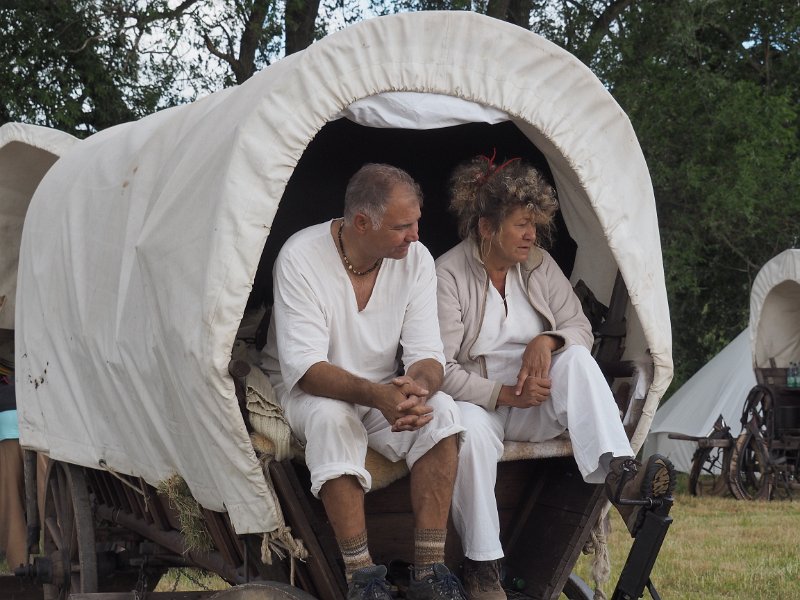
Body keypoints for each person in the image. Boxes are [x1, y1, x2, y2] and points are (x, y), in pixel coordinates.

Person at [435, 154, 676, 600]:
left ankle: (621, 476)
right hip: (478, 403)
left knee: (578, 359)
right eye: (521, 225)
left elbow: (579, 329)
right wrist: (501, 394)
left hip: (536, 401)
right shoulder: (447, 274)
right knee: (467, 432)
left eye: (534, 224)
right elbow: (439, 370)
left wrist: (547, 341)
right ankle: (483, 568)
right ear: (487, 227)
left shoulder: (539, 265)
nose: (532, 234)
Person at [263, 163, 467, 600]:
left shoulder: (416, 259)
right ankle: (363, 578)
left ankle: (430, 573)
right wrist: (379, 396)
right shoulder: (300, 257)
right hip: (307, 389)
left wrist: (416, 390)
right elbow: (308, 370)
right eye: (402, 227)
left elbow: (428, 355)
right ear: (360, 222)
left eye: (416, 222)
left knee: (443, 412)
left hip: (381, 389)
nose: (415, 235)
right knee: (332, 419)